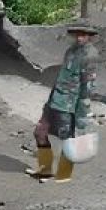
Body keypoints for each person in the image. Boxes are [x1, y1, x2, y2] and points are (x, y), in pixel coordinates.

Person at [29, 22, 98, 183]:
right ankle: (45, 170)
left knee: (67, 139)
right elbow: (62, 76)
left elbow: (87, 86)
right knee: (40, 132)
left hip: (69, 103)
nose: (80, 37)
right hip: (55, 99)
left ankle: (64, 173)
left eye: (84, 34)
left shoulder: (90, 55)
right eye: (78, 34)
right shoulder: (71, 51)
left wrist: (83, 113)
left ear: (90, 36)